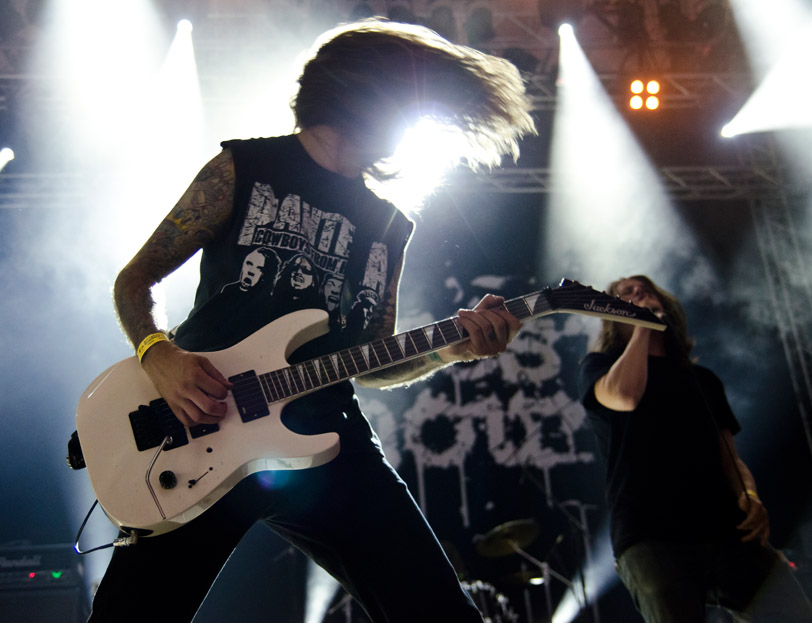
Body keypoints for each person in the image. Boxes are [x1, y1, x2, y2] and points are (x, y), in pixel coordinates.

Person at [89, 18, 536, 623]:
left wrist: (454, 350)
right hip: (202, 425)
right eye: (408, 103)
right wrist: (158, 354)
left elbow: (376, 360)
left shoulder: (390, 225)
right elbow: (133, 281)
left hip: (329, 439)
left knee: (438, 612)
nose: (413, 124)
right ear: (363, 92)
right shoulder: (243, 169)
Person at [578, 275, 812, 623]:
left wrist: (749, 494)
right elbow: (626, 396)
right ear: (614, 314)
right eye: (626, 294)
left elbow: (729, 457)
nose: (639, 292)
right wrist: (643, 325)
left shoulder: (703, 380)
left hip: (726, 529)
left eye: (646, 289)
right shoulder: (598, 368)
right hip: (651, 536)